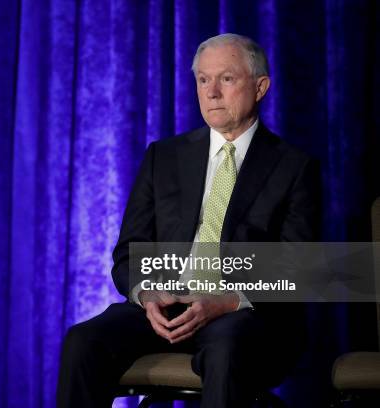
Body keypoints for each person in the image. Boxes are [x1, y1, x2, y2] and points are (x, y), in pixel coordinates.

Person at [57, 33, 321, 408]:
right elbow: (129, 251)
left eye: (226, 79)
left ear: (260, 87)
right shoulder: (162, 157)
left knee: (227, 348)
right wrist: (147, 295)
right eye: (203, 80)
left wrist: (225, 302)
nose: (212, 92)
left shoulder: (294, 167)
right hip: (164, 312)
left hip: (243, 316)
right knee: (83, 341)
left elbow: (298, 267)